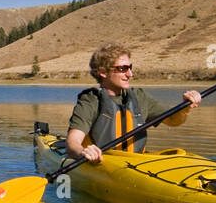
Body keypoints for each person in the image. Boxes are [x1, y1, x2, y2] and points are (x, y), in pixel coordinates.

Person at [66, 44, 202, 162]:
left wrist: (185, 108)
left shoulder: (139, 96)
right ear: (102, 72)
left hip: (135, 163)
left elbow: (173, 121)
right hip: (102, 162)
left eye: (130, 67)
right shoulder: (91, 100)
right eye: (122, 69)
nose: (130, 74)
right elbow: (73, 142)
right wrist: (83, 153)